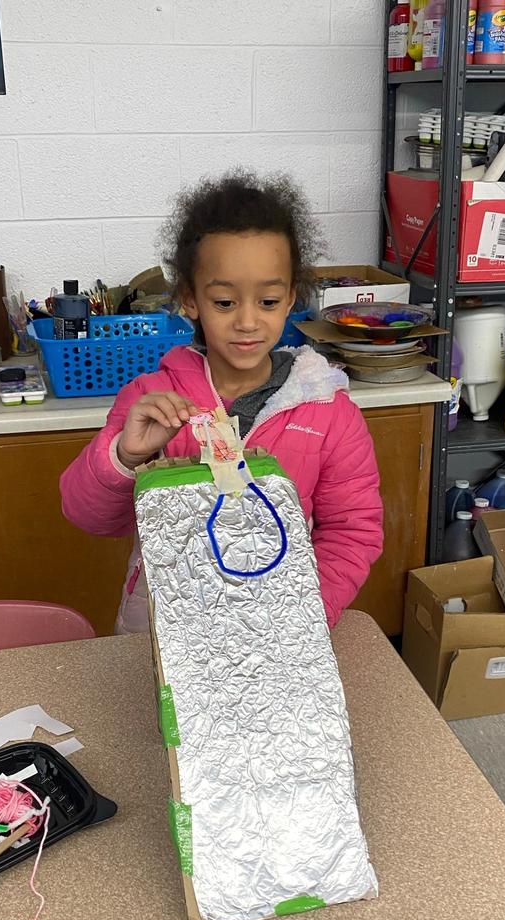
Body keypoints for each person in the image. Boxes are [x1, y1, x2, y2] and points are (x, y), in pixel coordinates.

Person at [60, 169, 383, 633]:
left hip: (279, 629)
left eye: (268, 301)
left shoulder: (330, 412)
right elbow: (88, 516)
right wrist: (126, 456)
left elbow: (353, 532)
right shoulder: (151, 400)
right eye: (225, 303)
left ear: (291, 298)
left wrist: (304, 616)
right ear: (190, 301)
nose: (248, 322)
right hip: (163, 630)